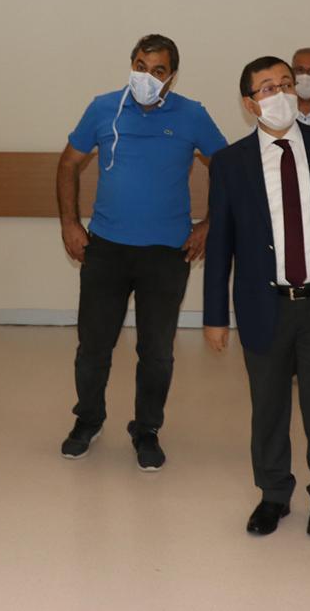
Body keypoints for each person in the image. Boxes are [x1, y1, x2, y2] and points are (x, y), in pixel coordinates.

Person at [203, 56, 310, 538]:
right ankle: (274, 494)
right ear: (249, 103)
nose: (279, 94)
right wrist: (215, 315)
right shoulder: (231, 163)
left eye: (284, 84)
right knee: (268, 408)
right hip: (264, 305)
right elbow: (220, 245)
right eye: (266, 88)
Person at [57, 34, 228, 470]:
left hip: (166, 254)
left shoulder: (192, 114)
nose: (146, 76)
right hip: (106, 250)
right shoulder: (103, 108)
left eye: (157, 70)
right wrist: (70, 223)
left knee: (156, 352)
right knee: (93, 346)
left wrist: (209, 224)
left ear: (171, 76)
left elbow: (228, 168)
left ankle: (147, 428)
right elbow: (69, 163)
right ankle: (88, 419)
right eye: (140, 66)